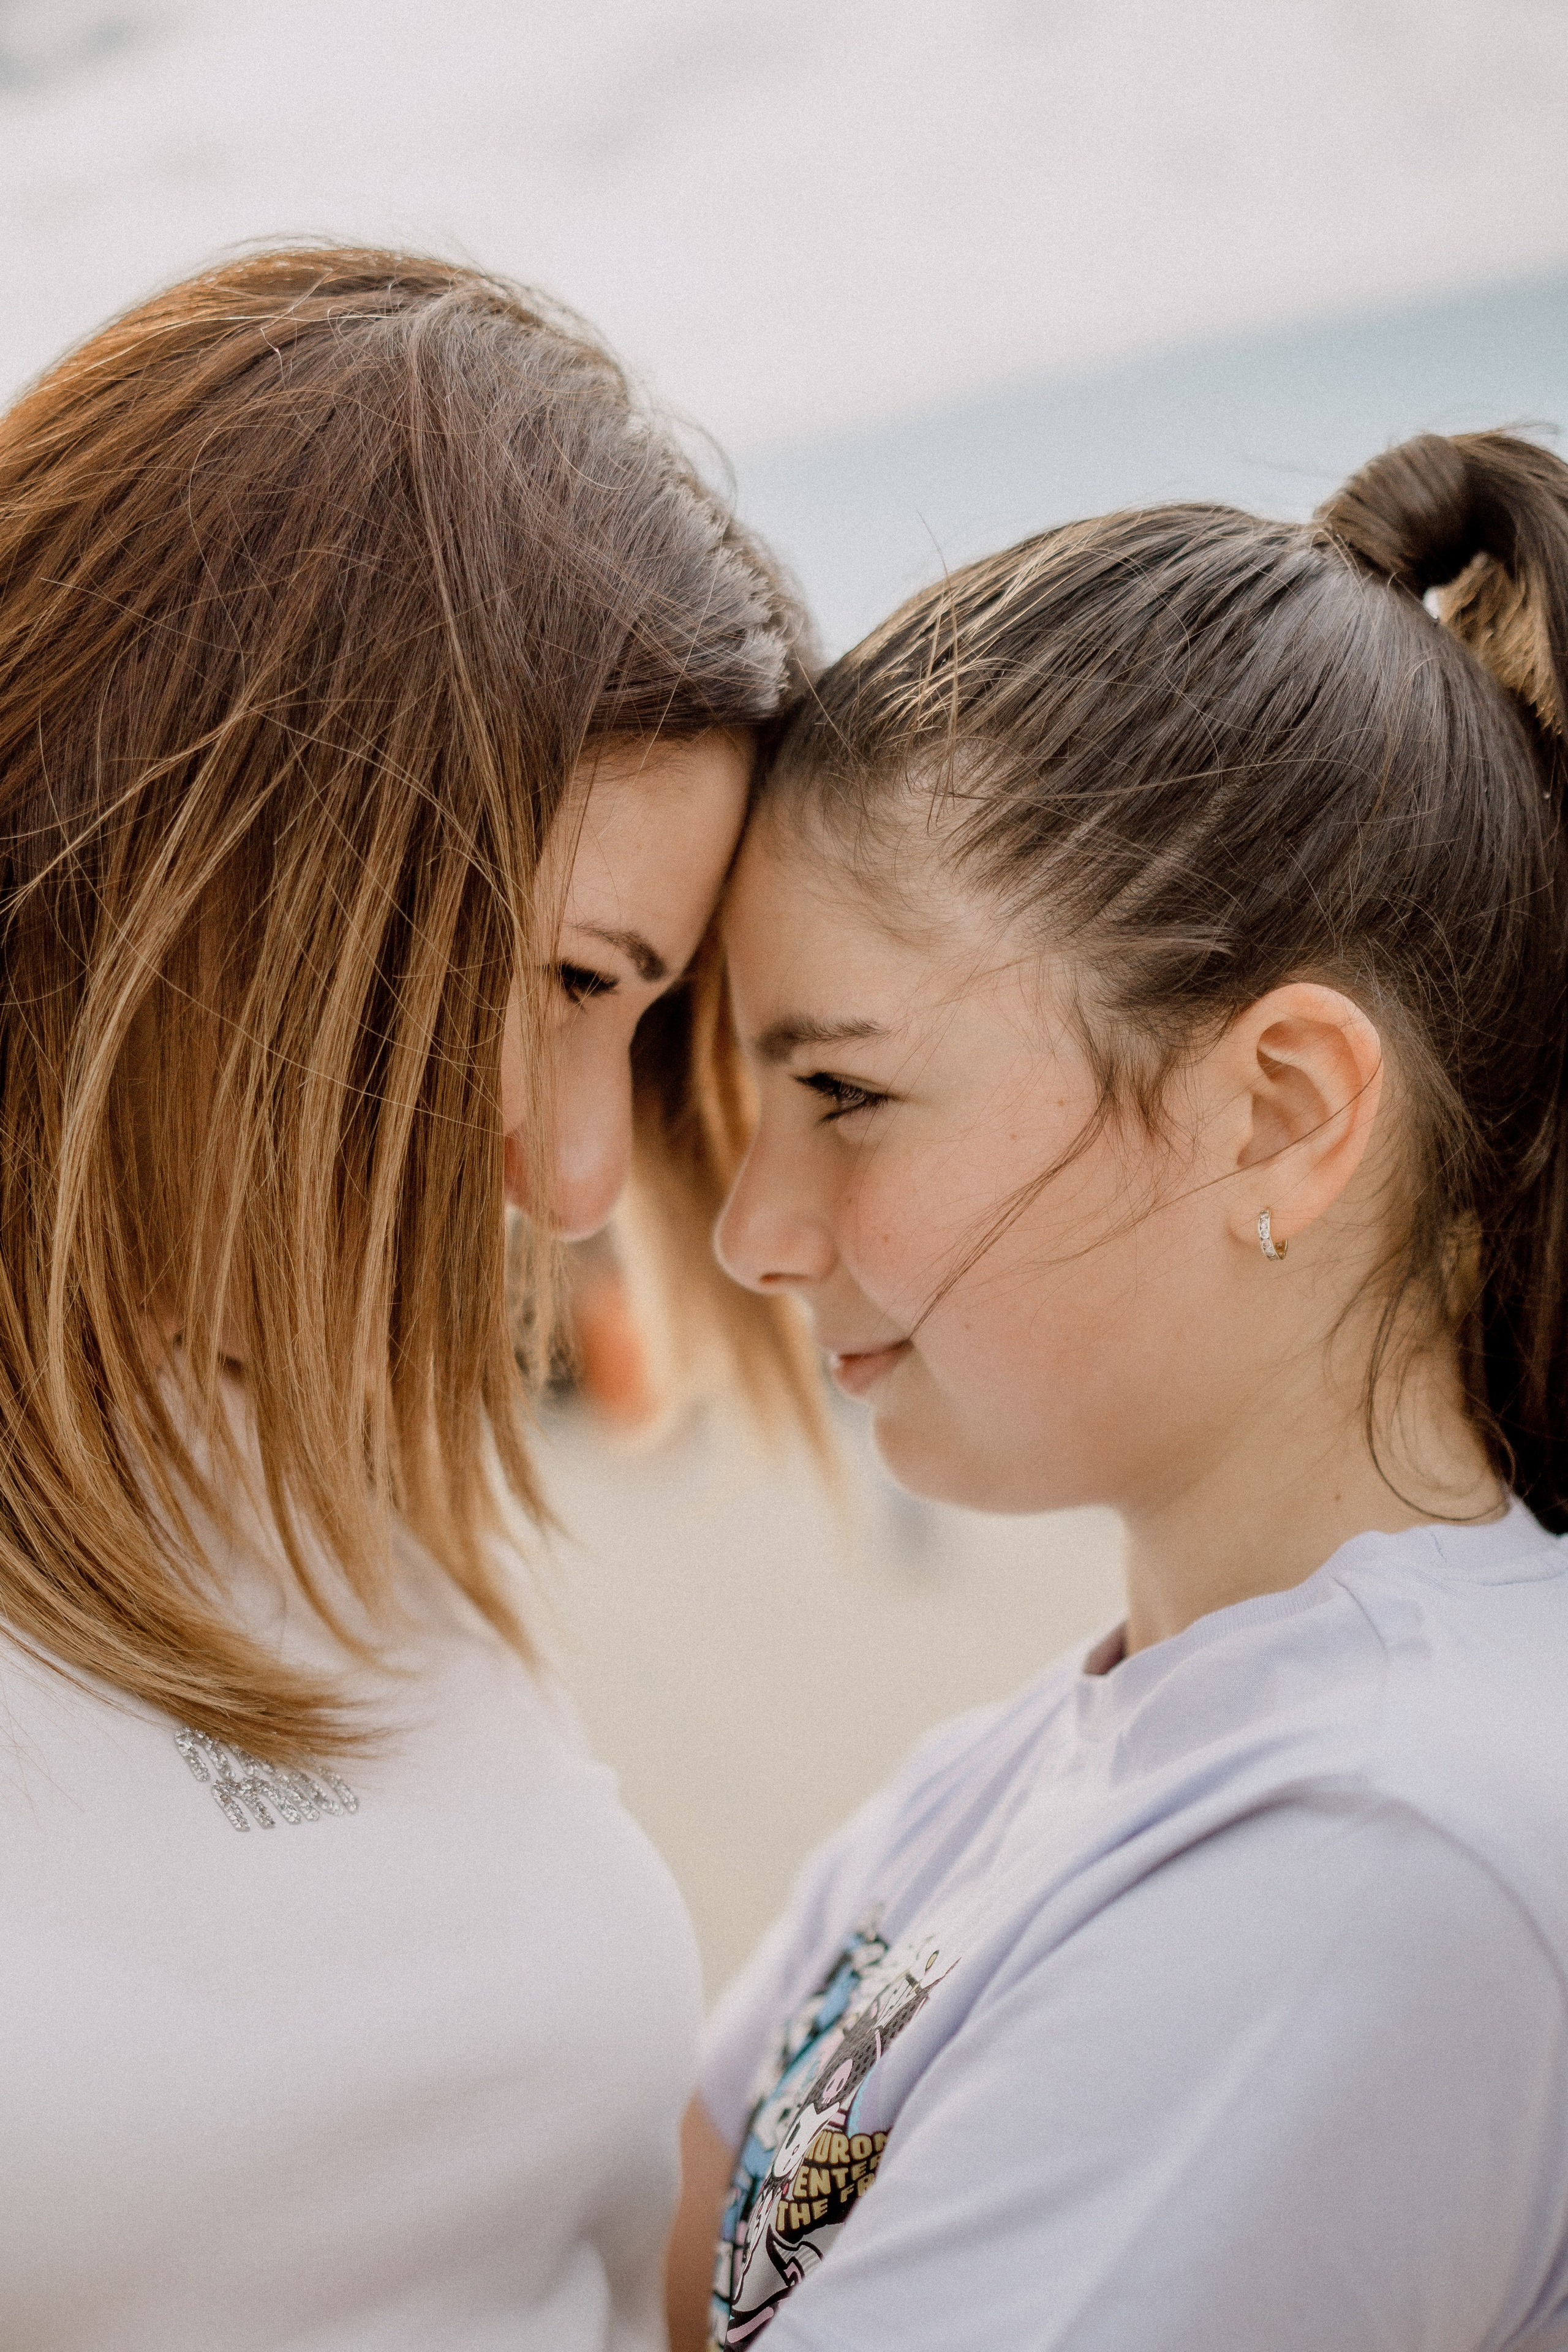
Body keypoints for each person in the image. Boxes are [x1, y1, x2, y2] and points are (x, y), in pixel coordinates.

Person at [667, 431, 1568, 2351]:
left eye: (845, 1096)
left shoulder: (1368, 1848)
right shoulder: (1021, 1775)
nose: (756, 1230)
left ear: (1283, 1115)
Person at [0, 245, 820, 2351]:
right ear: (219, 851)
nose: (573, 1172)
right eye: (558, 980)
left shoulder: (336, 1484)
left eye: (633, 1028)